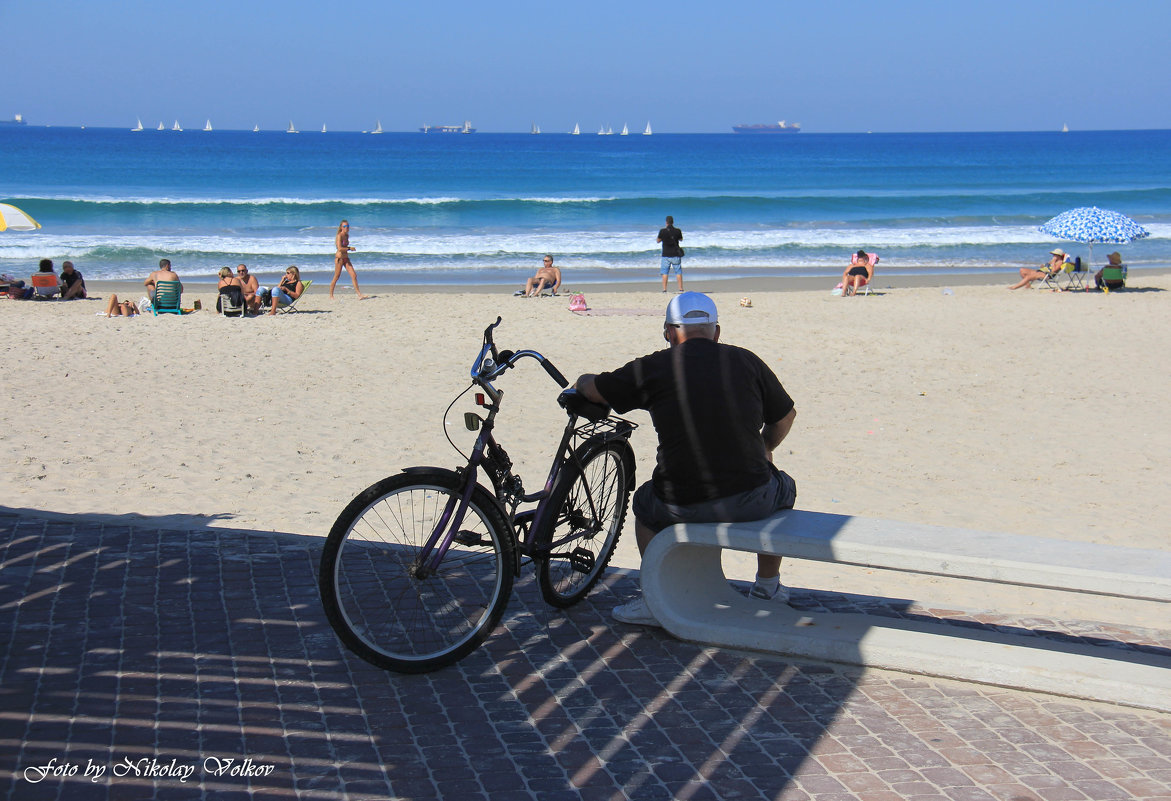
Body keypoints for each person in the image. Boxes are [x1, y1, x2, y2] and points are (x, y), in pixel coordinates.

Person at [573, 292, 798, 626]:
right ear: (716, 332)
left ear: (668, 332)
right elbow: (785, 415)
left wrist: (581, 381)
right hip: (751, 499)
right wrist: (766, 447)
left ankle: (655, 598)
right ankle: (767, 587)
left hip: (679, 502)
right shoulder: (746, 361)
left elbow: (595, 389)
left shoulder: (654, 367)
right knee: (784, 489)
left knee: (645, 505)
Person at [330, 220, 369, 300]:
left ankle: (359, 294)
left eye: (347, 226)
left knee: (354, 275)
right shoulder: (339, 236)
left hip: (346, 258)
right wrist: (349, 248)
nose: (346, 228)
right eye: (344, 226)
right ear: (341, 227)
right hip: (339, 258)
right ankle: (331, 295)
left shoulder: (347, 236)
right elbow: (340, 248)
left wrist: (349, 248)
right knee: (336, 277)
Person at [657, 215, 684, 292]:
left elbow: (658, 241)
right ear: (673, 222)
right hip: (675, 254)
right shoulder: (678, 231)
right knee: (678, 272)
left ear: (666, 222)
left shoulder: (662, 231)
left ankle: (664, 289)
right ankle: (680, 288)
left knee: (665, 272)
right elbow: (681, 239)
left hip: (665, 254)